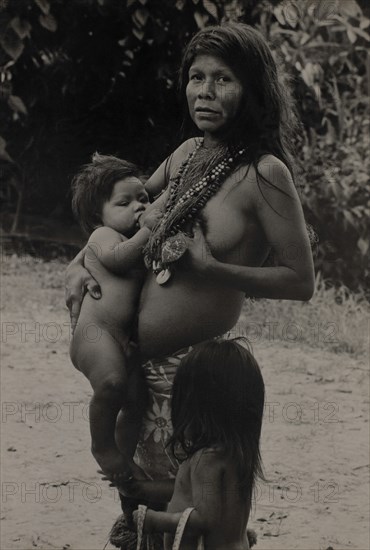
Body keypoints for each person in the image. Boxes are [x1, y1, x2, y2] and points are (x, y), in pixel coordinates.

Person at [65, 21, 315, 540]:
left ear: (253, 88)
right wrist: (77, 262)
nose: (205, 91)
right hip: (136, 369)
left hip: (196, 377)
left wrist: (210, 270)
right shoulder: (184, 155)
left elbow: (300, 280)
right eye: (196, 76)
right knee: (138, 506)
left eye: (223, 79)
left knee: (197, 517)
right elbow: (118, 212)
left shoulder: (265, 174)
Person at [69, 153, 162, 479]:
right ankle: (103, 448)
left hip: (122, 339)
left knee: (136, 400)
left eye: (143, 199)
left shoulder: (136, 241)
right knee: (111, 384)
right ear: (99, 216)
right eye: (124, 203)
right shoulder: (103, 237)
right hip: (96, 334)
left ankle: (123, 459)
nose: (138, 207)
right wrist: (149, 229)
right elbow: (119, 260)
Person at [132, 339, 265, 550]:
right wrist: (139, 487)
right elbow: (186, 494)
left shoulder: (207, 459)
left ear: (195, 406)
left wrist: (154, 520)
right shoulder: (235, 454)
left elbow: (204, 520)